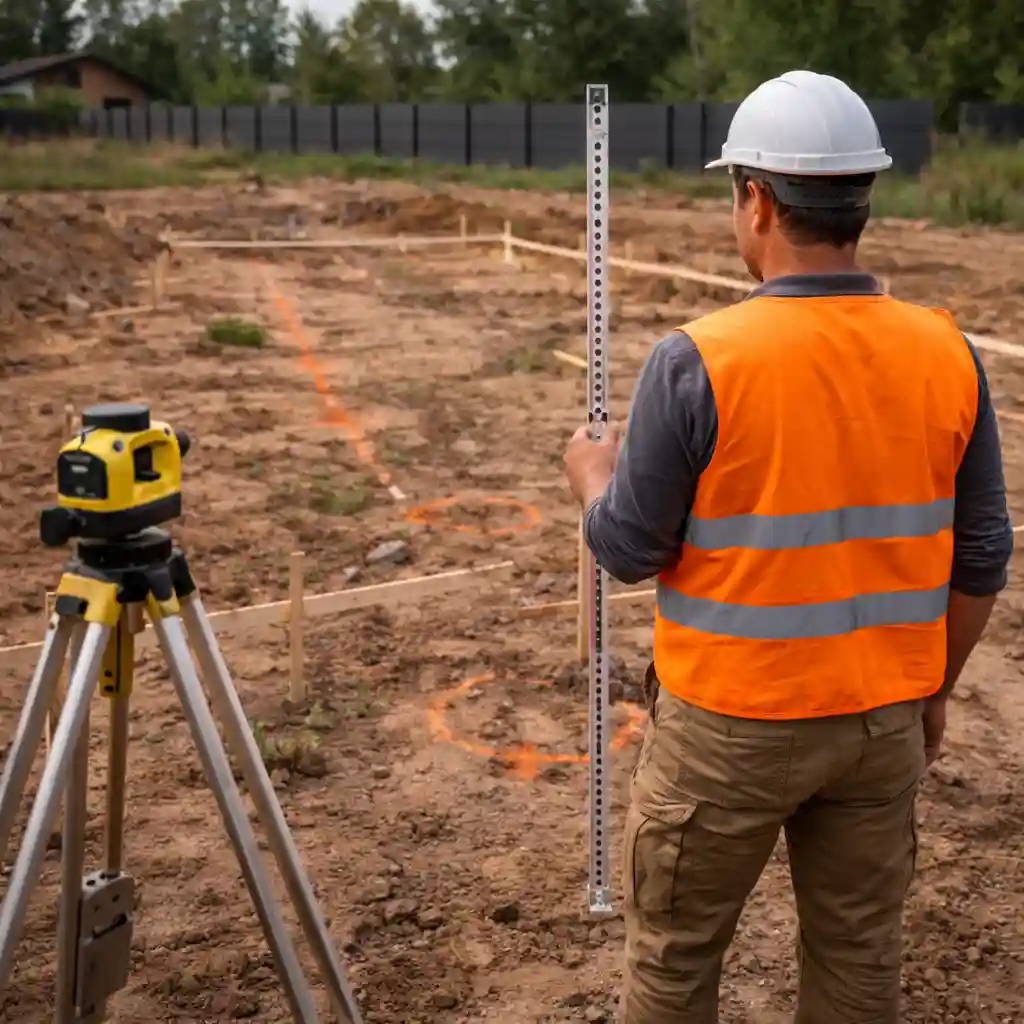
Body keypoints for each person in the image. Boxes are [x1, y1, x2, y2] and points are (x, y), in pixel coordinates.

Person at [562, 69, 1013, 1024]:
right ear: (862, 198)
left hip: (730, 724)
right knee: (858, 963)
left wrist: (591, 478)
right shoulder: (946, 349)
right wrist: (930, 690)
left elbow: (630, 548)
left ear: (757, 199)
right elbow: (982, 556)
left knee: (676, 964)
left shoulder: (699, 357)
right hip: (879, 721)